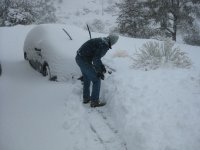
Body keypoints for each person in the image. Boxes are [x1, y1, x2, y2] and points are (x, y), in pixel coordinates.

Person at [75, 33, 119, 107]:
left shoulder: (102, 40)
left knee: (87, 78)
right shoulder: (104, 45)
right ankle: (94, 101)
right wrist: (100, 71)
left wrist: (100, 68)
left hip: (79, 58)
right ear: (113, 42)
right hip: (83, 60)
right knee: (96, 80)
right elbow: (96, 59)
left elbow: (95, 57)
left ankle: (86, 98)